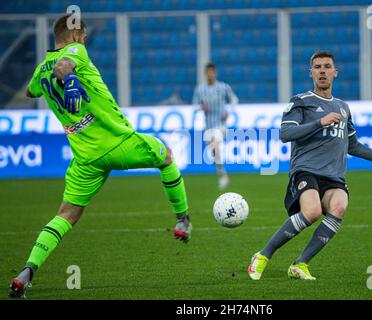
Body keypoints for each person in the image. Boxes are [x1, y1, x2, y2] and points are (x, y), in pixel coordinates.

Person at [9, 14, 192, 298]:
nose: (83, 41)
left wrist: (55, 81)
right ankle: (183, 220)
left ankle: (27, 272)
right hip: (117, 142)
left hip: (86, 158)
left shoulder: (38, 71)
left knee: (66, 216)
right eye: (81, 36)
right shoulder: (73, 52)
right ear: (70, 36)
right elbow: (62, 65)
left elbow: (33, 90)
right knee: (166, 156)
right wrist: (69, 79)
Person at [247, 51, 372, 281]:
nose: (322, 71)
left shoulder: (343, 107)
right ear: (311, 73)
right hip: (306, 170)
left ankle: (300, 264)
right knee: (312, 211)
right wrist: (320, 122)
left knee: (339, 207)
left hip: (333, 176)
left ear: (335, 73)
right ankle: (263, 255)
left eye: (327, 66)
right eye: (317, 67)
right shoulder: (300, 101)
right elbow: (285, 133)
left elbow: (354, 146)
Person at [192, 63, 239, 190]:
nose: (210, 74)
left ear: (215, 73)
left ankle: (223, 176)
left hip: (221, 125)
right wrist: (201, 107)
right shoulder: (200, 89)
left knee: (215, 145)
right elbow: (194, 105)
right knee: (215, 152)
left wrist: (228, 112)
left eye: (212, 72)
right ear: (205, 74)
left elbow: (234, 100)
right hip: (208, 127)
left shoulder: (223, 87)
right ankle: (223, 176)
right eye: (208, 72)